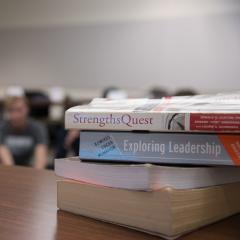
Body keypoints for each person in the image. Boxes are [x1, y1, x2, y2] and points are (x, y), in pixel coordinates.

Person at [0, 96, 48, 169]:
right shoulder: (2, 128)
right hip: (6, 170)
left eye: (19, 110)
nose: (15, 115)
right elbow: (7, 163)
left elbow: (40, 160)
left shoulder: (37, 128)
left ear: (27, 109)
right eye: (11, 110)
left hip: (28, 168)